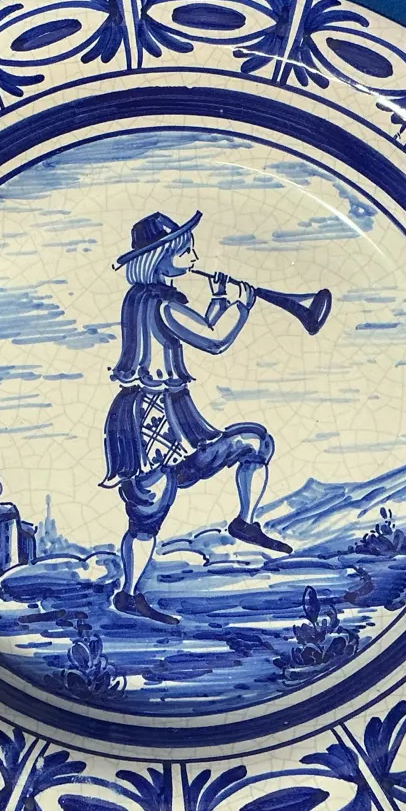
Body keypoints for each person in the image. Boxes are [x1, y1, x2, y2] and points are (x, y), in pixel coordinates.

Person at [101, 211, 291, 626]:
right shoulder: (160, 303)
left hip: (174, 410)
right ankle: (128, 594)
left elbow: (201, 326)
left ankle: (245, 523)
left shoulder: (146, 299)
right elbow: (214, 339)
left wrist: (220, 300)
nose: (193, 258)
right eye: (185, 251)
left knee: (254, 443)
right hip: (146, 416)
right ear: (160, 257)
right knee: (150, 504)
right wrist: (241, 306)